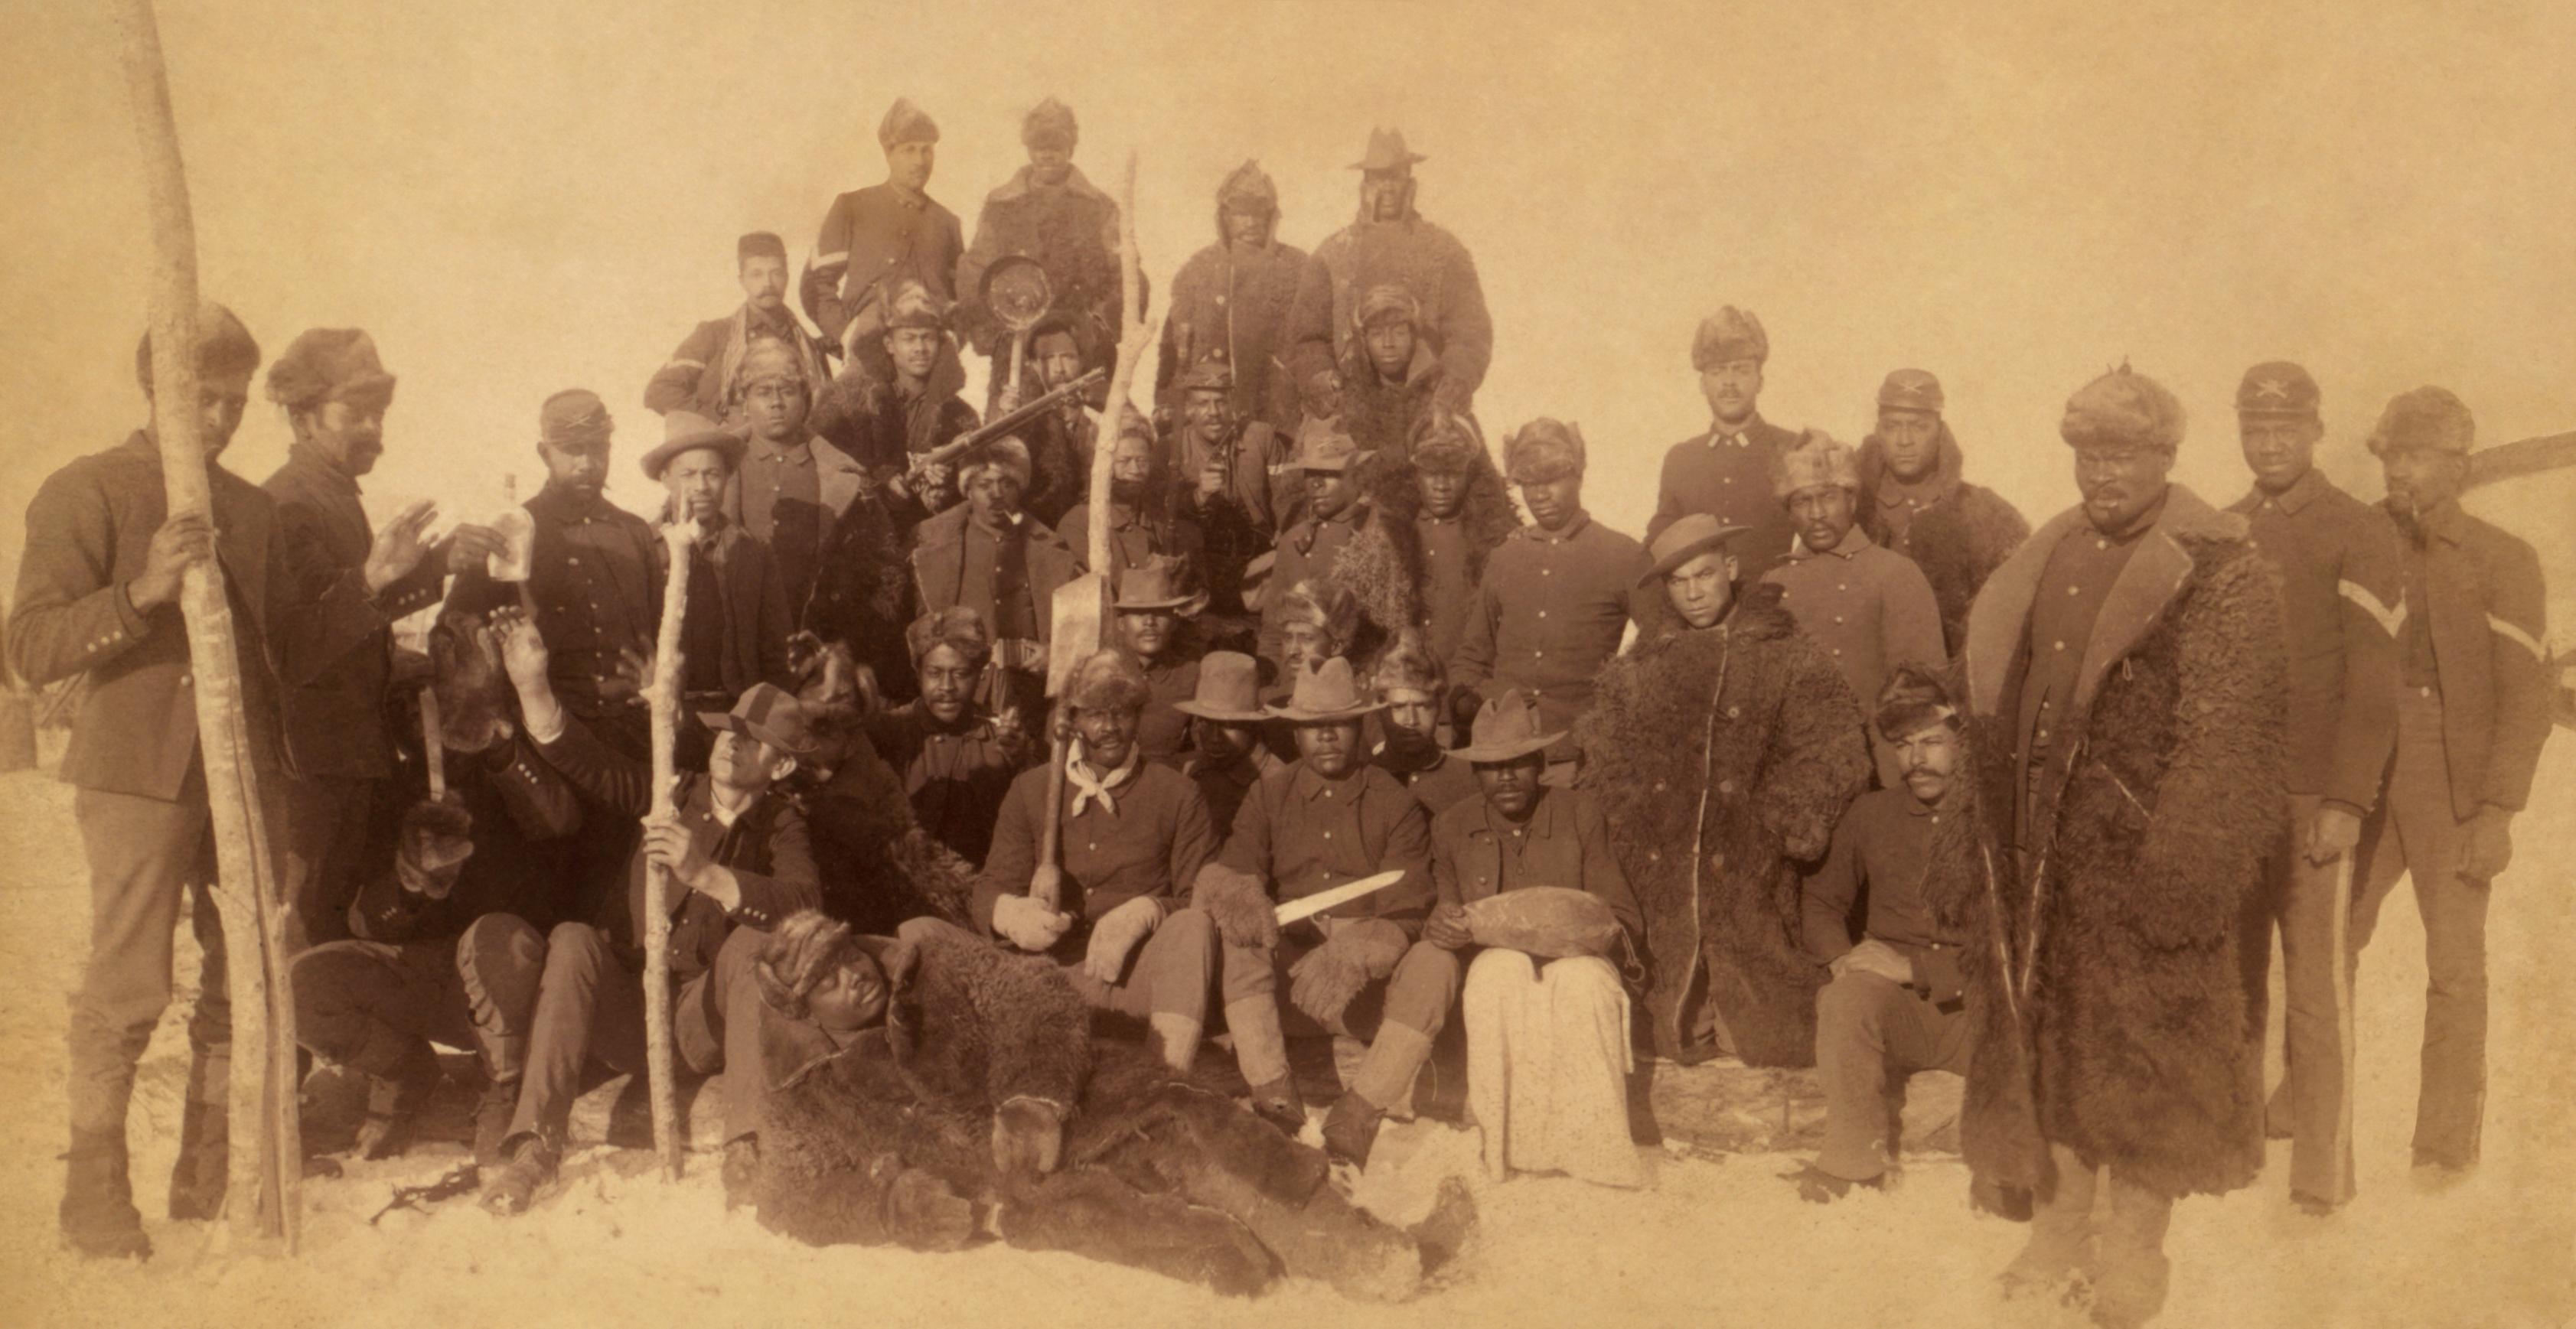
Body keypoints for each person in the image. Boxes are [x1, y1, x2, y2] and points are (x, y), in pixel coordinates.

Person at [8, 306, 432, 1255]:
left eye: (234, 403)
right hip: (139, 776)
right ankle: (96, 1203)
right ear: (153, 390)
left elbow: (294, 653)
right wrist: (141, 591)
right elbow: (28, 647)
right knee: (129, 984)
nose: (219, 419)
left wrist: (371, 581)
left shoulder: (251, 510)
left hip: (244, 777)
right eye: (200, 399)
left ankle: (210, 1180)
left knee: (245, 976)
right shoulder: (90, 490)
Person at [1933, 366, 2284, 1327]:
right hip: (2039, 851)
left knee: (2147, 1053)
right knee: (2048, 1039)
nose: (2103, 473)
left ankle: (2134, 1246)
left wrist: (2184, 870)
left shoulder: (2219, 570)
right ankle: (2057, 1225)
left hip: (2146, 856)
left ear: (2166, 458)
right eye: (2088, 453)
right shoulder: (2046, 555)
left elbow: (2229, 735)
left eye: (2123, 454)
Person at [750, 910, 1474, 1301]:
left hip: (1100, 1104)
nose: (853, 978)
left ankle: (1374, 1251)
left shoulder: (928, 959)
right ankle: (1277, 1265)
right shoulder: (806, 1084)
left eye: (847, 956)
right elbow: (788, 1197)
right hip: (1027, 1197)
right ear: (802, 1006)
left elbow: (1035, 998)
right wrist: (890, 1207)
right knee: (1210, 1252)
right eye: (828, 981)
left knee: (1222, 1144)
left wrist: (1033, 1098)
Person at [483, 614, 822, 1215]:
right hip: (629, 1013)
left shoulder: (782, 825)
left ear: (783, 767)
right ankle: (534, 1142)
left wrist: (709, 876)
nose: (732, 742)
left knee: (750, 943)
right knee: (573, 938)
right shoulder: (673, 791)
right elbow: (592, 765)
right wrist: (533, 687)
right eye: (727, 731)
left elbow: (805, 905)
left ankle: (746, 1143)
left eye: (753, 738)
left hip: (700, 1026)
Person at [1578, 513, 1870, 1067]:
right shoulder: (1640, 669)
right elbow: (1608, 754)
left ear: (1730, 570)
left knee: (1768, 1029)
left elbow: (1831, 744)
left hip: (1751, 860)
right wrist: (1638, 820)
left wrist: (1782, 819)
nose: (1694, 592)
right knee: (1668, 1016)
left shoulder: (1785, 654)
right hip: (1663, 864)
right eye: (1679, 581)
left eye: (1705, 575)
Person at [289, 611, 578, 1167]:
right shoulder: (393, 787)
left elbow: (559, 821)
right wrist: (412, 881)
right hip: (424, 981)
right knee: (305, 985)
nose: (425, 718)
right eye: (407, 705)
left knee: (494, 938)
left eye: (438, 700)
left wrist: (498, 748)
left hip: (509, 981)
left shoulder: (511, 757)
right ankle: (404, 1070)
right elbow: (365, 924)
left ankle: (504, 1087)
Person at [2351, 386, 2549, 1182]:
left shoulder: (2504, 558)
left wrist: (2497, 809)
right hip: (2364, 767)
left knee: (2455, 965)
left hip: (2452, 771)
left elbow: (2527, 695)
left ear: (2458, 466)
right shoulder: (2360, 539)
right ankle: (2303, 1106)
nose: (2403, 470)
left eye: (2420, 454)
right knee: (2331, 935)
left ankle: (2442, 1148)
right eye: (2394, 454)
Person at [2222, 361, 2402, 1213]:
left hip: (2314, 801)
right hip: (2237, 797)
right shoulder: (2223, 528)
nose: (2268, 442)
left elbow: (2374, 684)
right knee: (2236, 981)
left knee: (2319, 993)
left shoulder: (2356, 528)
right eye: (2254, 428)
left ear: (2315, 430)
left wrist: (2346, 801)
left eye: (2285, 427)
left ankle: (2323, 1178)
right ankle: (2234, 1151)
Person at [261, 327, 501, 948]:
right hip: (310, 766)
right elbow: (300, 647)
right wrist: (391, 576)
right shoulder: (286, 506)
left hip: (351, 758)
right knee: (304, 927)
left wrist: (438, 564)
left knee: (339, 925)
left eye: (379, 413)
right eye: (354, 413)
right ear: (302, 416)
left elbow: (350, 616)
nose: (373, 428)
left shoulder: (333, 494)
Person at [1189, 658, 1449, 1165]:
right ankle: (1275, 1097)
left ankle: (1358, 1114)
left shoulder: (1395, 803)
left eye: (1338, 724)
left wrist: (1361, 945)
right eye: (1312, 726)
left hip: (1365, 994)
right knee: (1240, 935)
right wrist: (1242, 895)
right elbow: (1237, 869)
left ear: (1359, 726)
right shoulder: (1269, 794)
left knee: (1436, 962)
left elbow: (1411, 907)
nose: (1326, 737)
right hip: (1289, 988)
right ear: (1295, 731)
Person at [1425, 690, 1644, 1188]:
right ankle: (1505, 1149)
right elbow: (1445, 910)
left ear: (1540, 762)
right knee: (1497, 973)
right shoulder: (1453, 827)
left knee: (1582, 982)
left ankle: (1598, 1152)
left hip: (1577, 956)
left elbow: (1620, 914)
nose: (1505, 777)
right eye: (1491, 765)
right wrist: (1439, 926)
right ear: (1475, 771)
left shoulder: (1579, 812)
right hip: (1498, 963)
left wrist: (1579, 933)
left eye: (1519, 763)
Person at [973, 650, 1224, 1071]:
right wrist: (1011, 913)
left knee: (1193, 925)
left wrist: (1148, 911)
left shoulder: (1177, 794)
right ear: (1071, 720)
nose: (1110, 728)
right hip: (1051, 981)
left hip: (1137, 983)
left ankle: (1164, 1082)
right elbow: (989, 886)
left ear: (1139, 715)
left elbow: (1202, 901)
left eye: (1122, 713)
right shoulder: (1030, 790)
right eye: (1095, 715)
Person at [1787, 666, 1975, 1202]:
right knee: (1845, 998)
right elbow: (1822, 901)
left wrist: (1917, 969)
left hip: (1978, 1002)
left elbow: (2024, 940)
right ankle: (1852, 1162)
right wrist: (1841, 959)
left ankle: (2005, 1165)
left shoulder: (1995, 817)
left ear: (1962, 740)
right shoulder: (1872, 813)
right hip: (1900, 1009)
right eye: (1903, 744)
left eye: (1933, 741)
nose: (1917, 758)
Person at [446, 389, 663, 757]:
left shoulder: (636, 533)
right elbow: (456, 630)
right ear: (545, 453)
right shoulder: (509, 532)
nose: (586, 463)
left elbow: (659, 632)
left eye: (597, 449)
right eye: (572, 449)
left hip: (632, 736)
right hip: (544, 740)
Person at [1448, 419, 1652, 779]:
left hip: (1577, 753)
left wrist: (1617, 709)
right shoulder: (1505, 557)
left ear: (1579, 475)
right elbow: (1472, 654)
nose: (1540, 495)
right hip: (1502, 754)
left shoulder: (1622, 554)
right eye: (1529, 483)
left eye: (1552, 479)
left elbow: (1659, 645)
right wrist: (1472, 700)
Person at [1759, 428, 1946, 786]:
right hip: (1799, 776)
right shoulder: (1773, 584)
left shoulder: (1894, 573)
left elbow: (1922, 696)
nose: (1816, 513)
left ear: (1851, 500)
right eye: (1802, 501)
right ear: (1788, 511)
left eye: (1827, 497)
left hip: (1879, 772)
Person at [1283, 129, 1490, 419]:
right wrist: (1319, 376)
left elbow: (1470, 332)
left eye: (1395, 177)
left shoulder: (1445, 252)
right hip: (1349, 406)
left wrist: (1456, 378)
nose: (1388, 188)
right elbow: (1307, 337)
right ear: (1364, 186)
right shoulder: (1332, 254)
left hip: (1429, 404)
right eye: (1378, 178)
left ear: (1410, 184)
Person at [956, 98, 1125, 410]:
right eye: (1039, 145)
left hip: (1080, 350)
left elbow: (1124, 276)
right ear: (1028, 149)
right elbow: (976, 270)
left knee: (1089, 437)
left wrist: (1095, 333)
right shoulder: (1001, 206)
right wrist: (992, 335)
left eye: (1056, 145)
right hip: (1017, 346)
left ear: (1071, 148)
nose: (1047, 154)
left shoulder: (1099, 207)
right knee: (1009, 438)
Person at [1852, 369, 2029, 654]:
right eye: (1893, 426)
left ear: (1940, 432)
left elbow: (2008, 617)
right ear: (1878, 431)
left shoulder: (1982, 513)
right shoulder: (1851, 509)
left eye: (1919, 426)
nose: (1905, 439)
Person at [784, 689, 977, 936]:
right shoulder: (788, 789)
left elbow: (905, 844)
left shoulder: (868, 774)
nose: (811, 743)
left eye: (824, 731)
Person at [908, 437, 1077, 715]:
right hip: (959, 695)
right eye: (984, 485)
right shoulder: (932, 545)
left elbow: (1075, 632)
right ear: (968, 491)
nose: (996, 494)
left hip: (1030, 694)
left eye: (1007, 483)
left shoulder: (1050, 548)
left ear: (1020, 489)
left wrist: (1054, 656)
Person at [717, 337, 870, 624]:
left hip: (814, 629)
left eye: (787, 391)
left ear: (805, 400)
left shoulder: (840, 472)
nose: (776, 403)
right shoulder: (718, 467)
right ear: (745, 403)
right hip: (736, 626)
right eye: (764, 392)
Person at [644, 412, 792, 708]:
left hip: (733, 710)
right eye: (687, 474)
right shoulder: (643, 548)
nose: (701, 486)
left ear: (726, 477)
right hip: (662, 709)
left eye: (712, 474)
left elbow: (776, 648)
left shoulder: (753, 551)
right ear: (665, 478)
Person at [801, 98, 965, 366]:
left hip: (929, 354)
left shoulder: (947, 222)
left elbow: (962, 299)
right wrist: (847, 333)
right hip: (868, 348)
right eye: (908, 150)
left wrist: (953, 339)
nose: (920, 161)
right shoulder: (852, 207)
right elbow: (816, 286)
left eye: (927, 151)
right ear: (889, 154)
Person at [868, 607, 1031, 867]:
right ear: (918, 673)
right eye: (934, 673)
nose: (947, 687)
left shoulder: (999, 738)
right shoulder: (892, 730)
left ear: (980, 675)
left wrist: (1022, 760)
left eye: (961, 674)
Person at [810, 279, 981, 520]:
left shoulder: (961, 416)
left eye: (928, 338)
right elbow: (829, 469)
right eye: (909, 338)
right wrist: (881, 484)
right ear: (889, 344)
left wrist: (948, 480)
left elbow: (978, 487)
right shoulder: (851, 405)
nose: (920, 348)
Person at [1645, 306, 1799, 573]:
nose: (1729, 382)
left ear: (1759, 381)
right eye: (1717, 371)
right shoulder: (1682, 459)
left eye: (1740, 370)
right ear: (1703, 384)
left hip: (1775, 606)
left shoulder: (1792, 449)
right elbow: (1658, 545)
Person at [1159, 160, 1307, 432]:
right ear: (1225, 217)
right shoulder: (1197, 269)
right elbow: (1173, 348)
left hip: (1275, 402)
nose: (1251, 222)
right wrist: (1167, 400)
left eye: (1258, 213)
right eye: (1241, 213)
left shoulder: (1297, 267)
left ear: (1271, 216)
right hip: (1212, 411)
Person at [645, 233, 831, 424]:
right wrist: (719, 418)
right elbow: (659, 391)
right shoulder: (714, 335)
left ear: (787, 278)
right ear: (742, 281)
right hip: (729, 443)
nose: (767, 283)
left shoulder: (807, 346)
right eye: (756, 274)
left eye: (776, 273)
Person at [1167, 358, 1296, 623]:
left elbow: (1287, 494)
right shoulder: (1173, 448)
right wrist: (1198, 496)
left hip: (1258, 557)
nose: (1214, 412)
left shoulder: (1260, 437)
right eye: (1203, 403)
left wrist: (1286, 529)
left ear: (1233, 404)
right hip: (1202, 566)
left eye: (1221, 402)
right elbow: (1160, 511)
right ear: (1189, 410)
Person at [1409, 412, 1521, 669]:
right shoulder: (1394, 534)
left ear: (1469, 476)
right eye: (1431, 473)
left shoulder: (1493, 540)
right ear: (1415, 475)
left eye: (1453, 474)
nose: (1441, 485)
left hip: (1462, 685)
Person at [1057, 408, 1204, 584]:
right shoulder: (1079, 523)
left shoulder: (1159, 519)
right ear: (1101, 464)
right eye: (1123, 461)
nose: (1135, 470)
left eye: (1142, 461)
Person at [1106, 555, 1208, 767]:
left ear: (1173, 621)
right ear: (1121, 623)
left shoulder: (1192, 675)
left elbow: (1205, 748)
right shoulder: (1097, 672)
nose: (1150, 622)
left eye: (1160, 613)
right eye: (1139, 614)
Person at [1173, 651, 1285, 833]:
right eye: (1206, 723)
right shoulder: (1188, 769)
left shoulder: (1277, 782)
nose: (1215, 738)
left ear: (1253, 725)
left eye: (1230, 725)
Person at [1369, 637, 1479, 817]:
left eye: (1423, 706)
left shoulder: (1468, 778)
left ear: (1438, 707)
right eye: (1399, 707)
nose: (1411, 720)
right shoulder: (1365, 778)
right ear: (1380, 711)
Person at [1339, 285, 1446, 462]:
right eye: (1376, 334)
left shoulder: (1441, 395)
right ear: (1364, 342)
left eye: (1399, 333)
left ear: (1413, 338)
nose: (1388, 343)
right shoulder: (1344, 397)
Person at [1013, 314, 1101, 529]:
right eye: (1048, 359)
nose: (1059, 368)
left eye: (1068, 357)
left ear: (1081, 360)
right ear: (1034, 365)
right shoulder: (1021, 421)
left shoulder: (1101, 420)